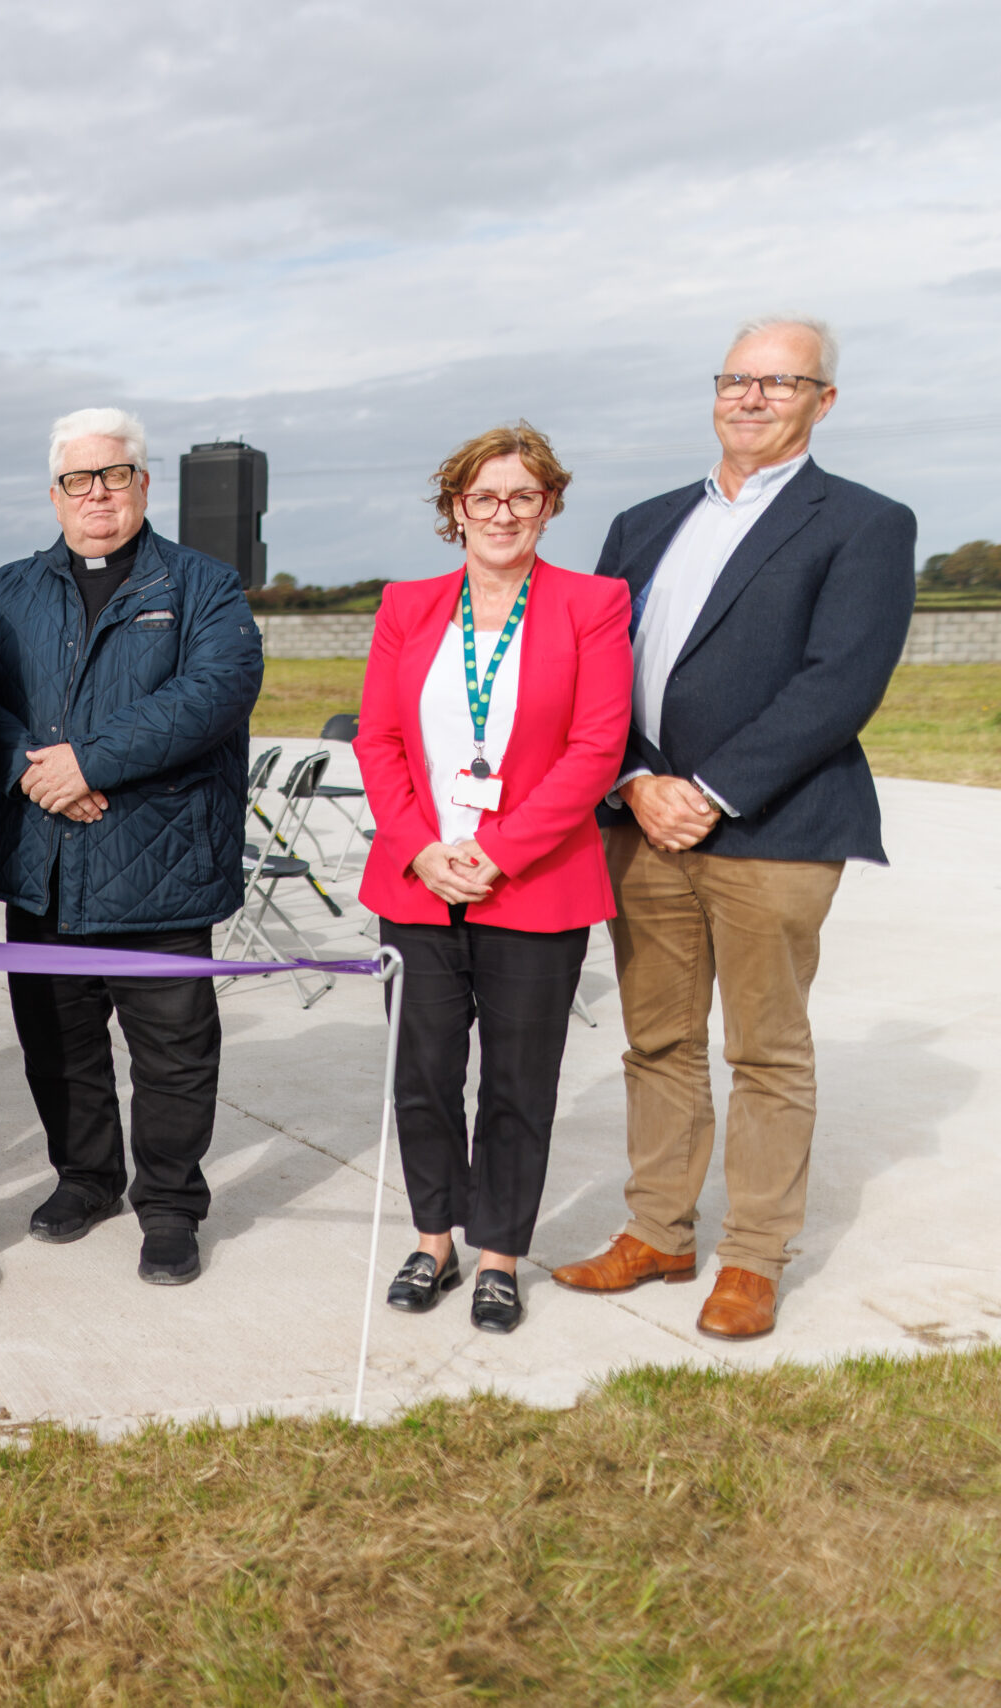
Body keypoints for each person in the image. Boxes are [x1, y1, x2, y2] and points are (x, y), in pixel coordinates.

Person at [555, 316, 915, 1340]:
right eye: (736, 380)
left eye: (780, 382)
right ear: (714, 391)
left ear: (822, 401)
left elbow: (839, 681)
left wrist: (707, 788)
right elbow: (592, 669)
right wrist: (630, 778)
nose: (751, 398)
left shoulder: (863, 521)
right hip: (641, 823)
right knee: (657, 1039)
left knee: (764, 1050)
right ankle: (658, 1230)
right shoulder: (642, 521)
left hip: (774, 827)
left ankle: (752, 1255)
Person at [0, 407, 265, 1287]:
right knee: (58, 1043)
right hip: (45, 866)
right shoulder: (6, 590)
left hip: (161, 866)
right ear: (53, 492)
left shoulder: (205, 586)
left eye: (113, 475)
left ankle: (168, 1207)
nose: (95, 493)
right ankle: (86, 1178)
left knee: (172, 1053)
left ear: (144, 482)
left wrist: (91, 761)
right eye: (76, 479)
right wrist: (34, 770)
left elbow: (214, 692)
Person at [354, 425, 632, 1334]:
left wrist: (501, 851)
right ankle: (433, 1237)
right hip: (419, 883)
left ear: (549, 505)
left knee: (519, 1081)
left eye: (523, 495)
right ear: (455, 510)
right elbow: (380, 740)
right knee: (424, 1077)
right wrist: (420, 846)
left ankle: (500, 1254)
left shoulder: (593, 604)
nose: (502, 512)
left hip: (536, 885)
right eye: (483, 496)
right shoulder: (408, 605)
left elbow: (597, 748)